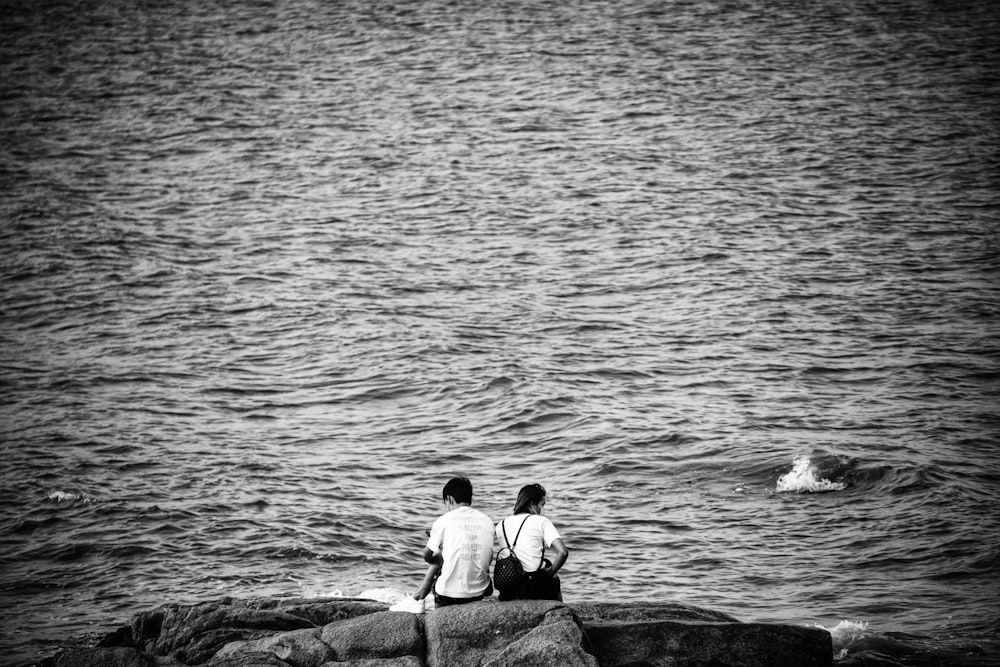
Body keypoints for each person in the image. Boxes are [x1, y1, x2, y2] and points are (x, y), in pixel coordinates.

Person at [420, 476, 495, 607]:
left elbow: (426, 555)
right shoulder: (487, 521)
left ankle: (422, 601)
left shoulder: (444, 520)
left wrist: (438, 557)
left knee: (439, 556)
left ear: (449, 499)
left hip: (448, 595)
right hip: (480, 591)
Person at [494, 483, 568, 601]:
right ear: (532, 504)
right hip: (532, 588)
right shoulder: (541, 521)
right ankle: (560, 610)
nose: (542, 509)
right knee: (548, 567)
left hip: (507, 588)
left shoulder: (500, 525)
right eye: (542, 505)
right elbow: (563, 552)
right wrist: (550, 573)